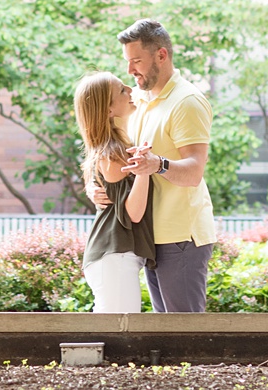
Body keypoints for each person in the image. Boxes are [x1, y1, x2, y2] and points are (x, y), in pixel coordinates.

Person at [92, 19, 216, 312]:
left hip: (180, 238)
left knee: (183, 335)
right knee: (165, 335)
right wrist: (94, 186)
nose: (130, 70)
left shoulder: (186, 102)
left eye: (136, 61)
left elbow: (194, 172)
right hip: (149, 237)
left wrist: (157, 164)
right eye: (127, 61)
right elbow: (114, 152)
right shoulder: (140, 100)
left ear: (161, 55)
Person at [74, 72, 155, 313]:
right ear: (108, 111)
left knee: (113, 335)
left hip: (113, 256)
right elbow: (133, 214)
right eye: (121, 90)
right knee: (118, 336)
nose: (130, 90)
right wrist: (144, 169)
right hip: (114, 256)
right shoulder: (112, 153)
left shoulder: (114, 145)